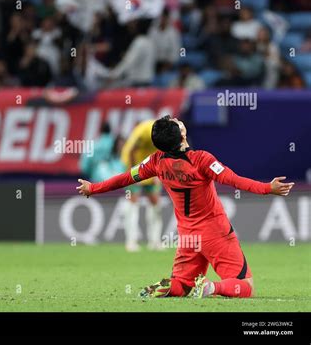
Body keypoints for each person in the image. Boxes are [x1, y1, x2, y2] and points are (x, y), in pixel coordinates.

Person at [76, 116, 294, 298]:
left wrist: (93, 188)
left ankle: (161, 287)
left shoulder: (156, 161)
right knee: (246, 286)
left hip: (188, 236)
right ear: (181, 135)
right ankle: (211, 287)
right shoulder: (202, 160)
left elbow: (125, 178)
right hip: (215, 233)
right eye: (176, 122)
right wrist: (267, 188)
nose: (178, 120)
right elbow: (234, 180)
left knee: (182, 283)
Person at [120, 119, 163, 252]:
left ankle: (155, 241)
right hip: (133, 164)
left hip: (150, 166)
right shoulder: (146, 131)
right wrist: (134, 173)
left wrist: (159, 174)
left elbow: (162, 155)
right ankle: (131, 242)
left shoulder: (165, 136)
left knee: (155, 201)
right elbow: (132, 151)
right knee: (133, 201)